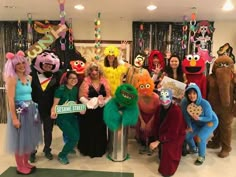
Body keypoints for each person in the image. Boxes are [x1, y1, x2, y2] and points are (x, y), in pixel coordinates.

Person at [4, 51, 42, 175]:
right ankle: (20, 166)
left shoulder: (29, 78)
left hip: (30, 110)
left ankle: (26, 163)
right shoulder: (12, 79)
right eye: (17, 63)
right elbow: (10, 99)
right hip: (20, 111)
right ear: (12, 66)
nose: (21, 65)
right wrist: (14, 118)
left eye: (22, 62)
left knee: (28, 139)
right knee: (19, 140)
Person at [30, 50, 61, 162]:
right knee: (34, 131)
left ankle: (47, 149)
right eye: (46, 64)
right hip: (34, 109)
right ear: (41, 63)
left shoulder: (56, 77)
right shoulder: (32, 75)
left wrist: (55, 108)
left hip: (49, 109)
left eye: (50, 65)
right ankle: (32, 152)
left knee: (48, 131)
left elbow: (58, 94)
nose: (48, 66)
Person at [149, 88, 186, 177]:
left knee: (168, 155)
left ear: (171, 97)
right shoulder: (159, 108)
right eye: (162, 97)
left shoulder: (176, 111)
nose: (164, 99)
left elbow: (173, 133)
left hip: (175, 136)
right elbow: (156, 124)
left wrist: (158, 141)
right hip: (163, 133)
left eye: (166, 96)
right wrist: (156, 138)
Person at [78, 62, 111, 158]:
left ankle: (100, 149)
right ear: (89, 72)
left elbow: (109, 96)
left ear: (99, 71)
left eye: (96, 70)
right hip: (89, 112)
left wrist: (104, 102)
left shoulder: (105, 82)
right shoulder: (85, 82)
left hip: (101, 111)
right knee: (88, 130)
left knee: (100, 130)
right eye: (91, 70)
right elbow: (80, 96)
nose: (94, 72)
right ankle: (88, 149)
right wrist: (89, 104)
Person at [180, 83, 219, 165]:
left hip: (210, 121)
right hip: (196, 122)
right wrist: (189, 126)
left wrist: (199, 118)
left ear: (198, 93)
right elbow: (186, 116)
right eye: (189, 93)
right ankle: (193, 149)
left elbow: (209, 117)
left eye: (194, 93)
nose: (192, 95)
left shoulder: (205, 103)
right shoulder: (184, 102)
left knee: (200, 137)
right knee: (187, 136)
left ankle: (201, 156)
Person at [50, 70, 80, 165]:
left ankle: (69, 147)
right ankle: (62, 155)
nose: (73, 80)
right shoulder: (61, 89)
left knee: (77, 135)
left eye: (75, 78)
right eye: (71, 78)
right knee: (74, 137)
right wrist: (53, 112)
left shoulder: (75, 89)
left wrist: (80, 109)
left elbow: (74, 102)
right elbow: (55, 104)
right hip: (62, 119)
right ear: (66, 79)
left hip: (72, 117)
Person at [135, 74, 160, 155]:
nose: (145, 89)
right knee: (140, 126)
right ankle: (143, 144)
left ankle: (151, 145)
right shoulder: (138, 96)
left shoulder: (156, 97)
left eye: (147, 86)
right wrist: (142, 121)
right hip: (142, 115)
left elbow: (157, 112)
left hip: (153, 116)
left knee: (151, 128)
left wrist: (149, 122)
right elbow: (137, 109)